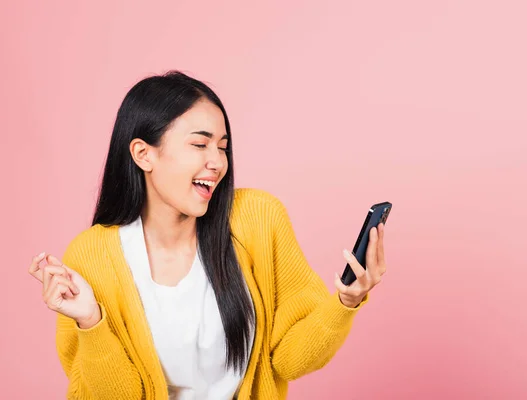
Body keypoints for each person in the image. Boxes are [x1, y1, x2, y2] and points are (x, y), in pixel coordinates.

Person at [28, 71, 386, 400]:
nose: (217, 161)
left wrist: (346, 302)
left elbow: (287, 360)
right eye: (200, 145)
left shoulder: (258, 219)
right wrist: (91, 321)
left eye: (222, 146)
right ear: (143, 154)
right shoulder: (91, 255)